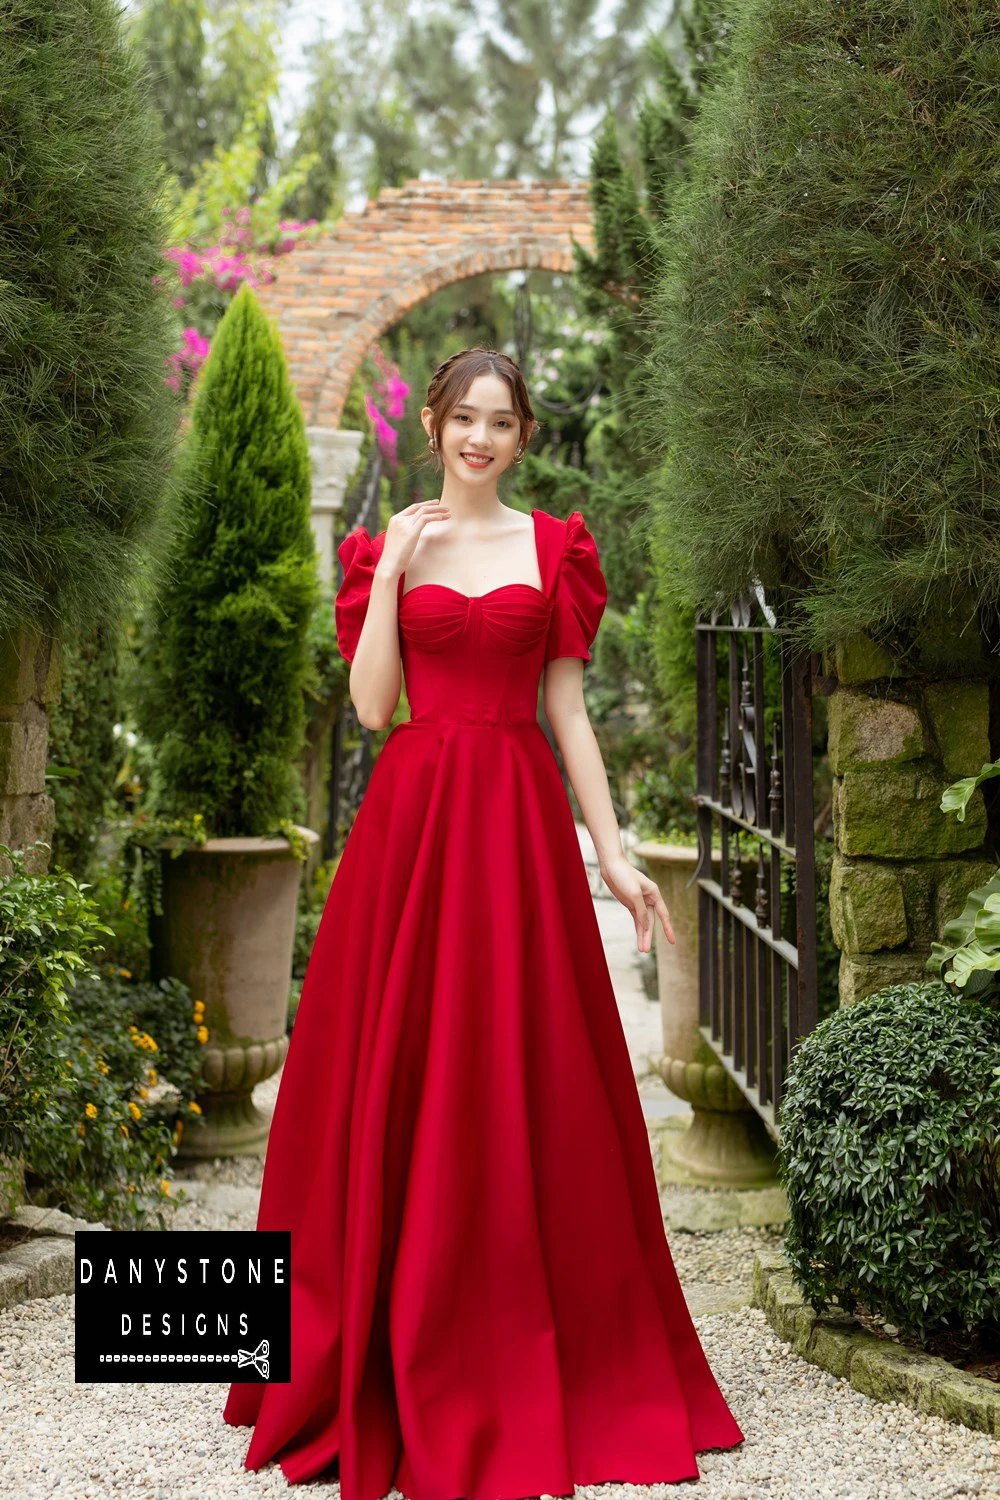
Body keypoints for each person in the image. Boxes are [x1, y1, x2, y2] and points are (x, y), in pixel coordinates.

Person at [222, 347, 746, 1496]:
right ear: (439, 428)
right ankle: (371, 1327)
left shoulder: (554, 548)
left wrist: (611, 855)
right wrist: (398, 562)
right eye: (463, 418)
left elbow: (567, 713)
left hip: (512, 830)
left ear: (522, 435)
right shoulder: (384, 551)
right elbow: (370, 709)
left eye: (500, 422)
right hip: (410, 833)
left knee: (526, 1073)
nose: (479, 437)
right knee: (385, 1070)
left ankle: (533, 1330)